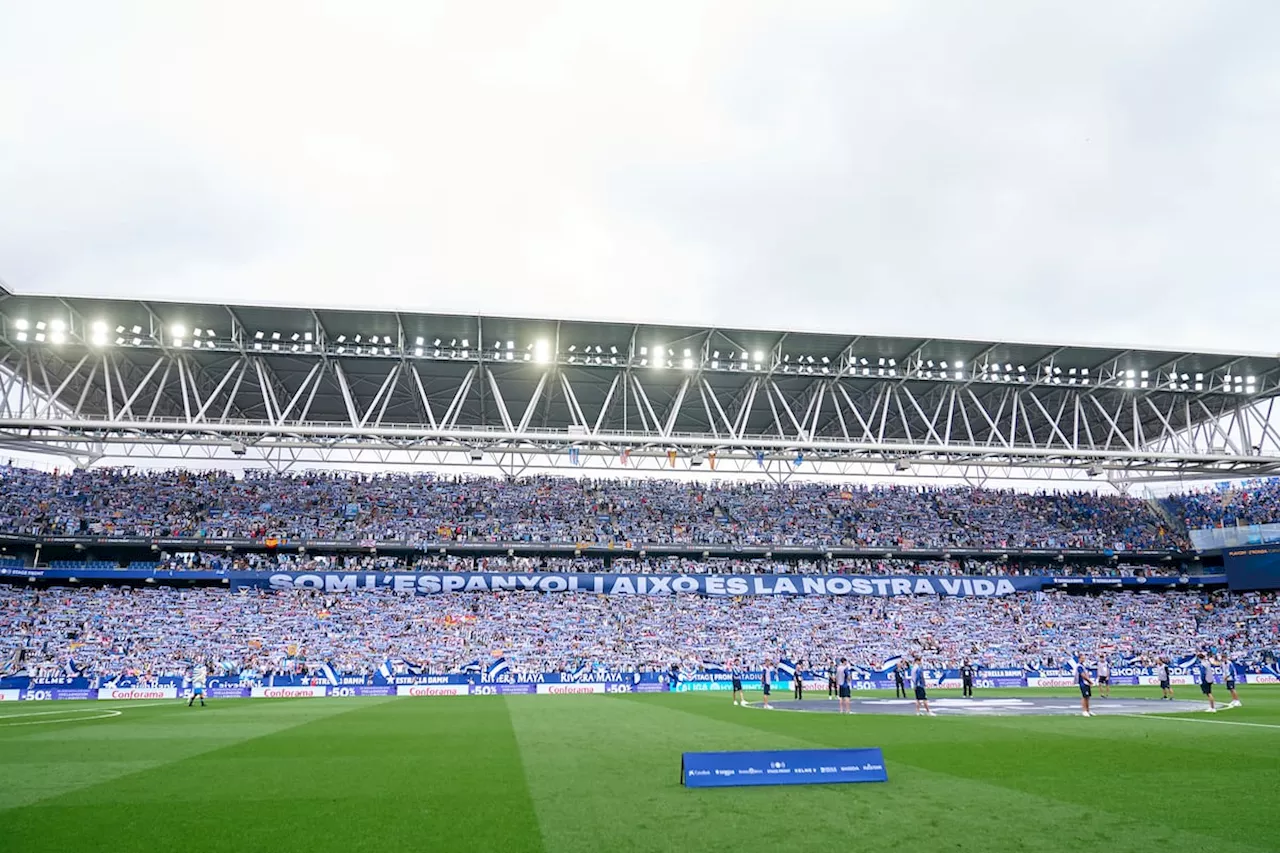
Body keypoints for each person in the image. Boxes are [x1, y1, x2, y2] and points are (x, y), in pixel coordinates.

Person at [1073, 652, 1093, 717]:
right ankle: (1084, 710)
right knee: (1084, 696)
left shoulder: (1083, 665)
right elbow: (1082, 675)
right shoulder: (1079, 666)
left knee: (1087, 697)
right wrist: (1089, 681)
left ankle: (1088, 710)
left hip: (1086, 682)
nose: (1083, 659)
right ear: (1079, 658)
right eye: (1082, 658)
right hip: (1083, 683)